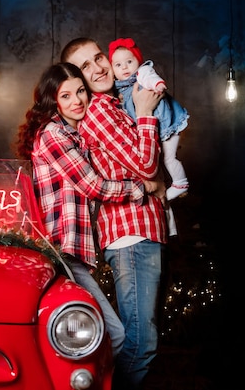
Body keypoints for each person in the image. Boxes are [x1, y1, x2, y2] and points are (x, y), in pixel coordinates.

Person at [14, 62, 159, 360]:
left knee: (80, 338)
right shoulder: (53, 134)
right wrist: (142, 187)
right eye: (65, 96)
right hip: (61, 252)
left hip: (74, 254)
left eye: (80, 91)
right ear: (52, 100)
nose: (77, 101)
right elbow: (93, 186)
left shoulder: (76, 136)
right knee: (113, 335)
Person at [61, 37, 167, 390]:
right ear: (77, 81)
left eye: (98, 58)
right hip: (131, 232)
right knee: (140, 343)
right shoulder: (100, 111)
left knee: (139, 338)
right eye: (85, 67)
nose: (99, 68)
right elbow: (146, 165)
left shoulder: (114, 104)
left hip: (138, 230)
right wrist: (148, 112)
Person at [108, 37, 190, 200]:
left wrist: (157, 84)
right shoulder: (119, 88)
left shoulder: (142, 74)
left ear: (138, 61)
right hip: (153, 131)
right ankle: (171, 182)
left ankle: (181, 183)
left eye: (129, 62)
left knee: (168, 158)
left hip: (168, 126)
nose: (124, 67)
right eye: (118, 65)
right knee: (159, 160)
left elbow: (151, 77)